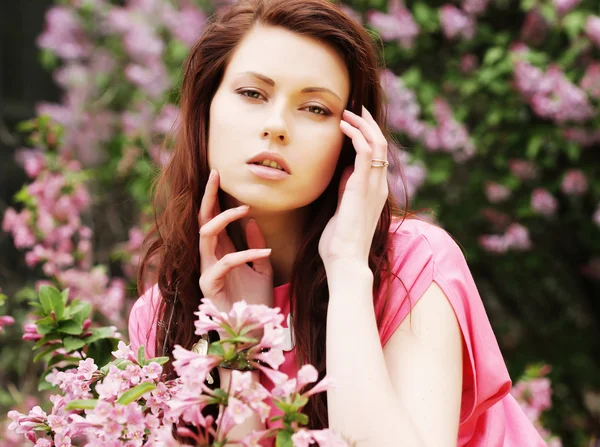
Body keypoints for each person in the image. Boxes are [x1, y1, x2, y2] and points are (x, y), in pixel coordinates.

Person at [128, 0, 546, 445]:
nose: (276, 126)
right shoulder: (160, 315)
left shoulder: (415, 264)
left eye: (315, 109)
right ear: (205, 110)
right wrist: (239, 347)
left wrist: (347, 268)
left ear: (351, 144)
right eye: (252, 94)